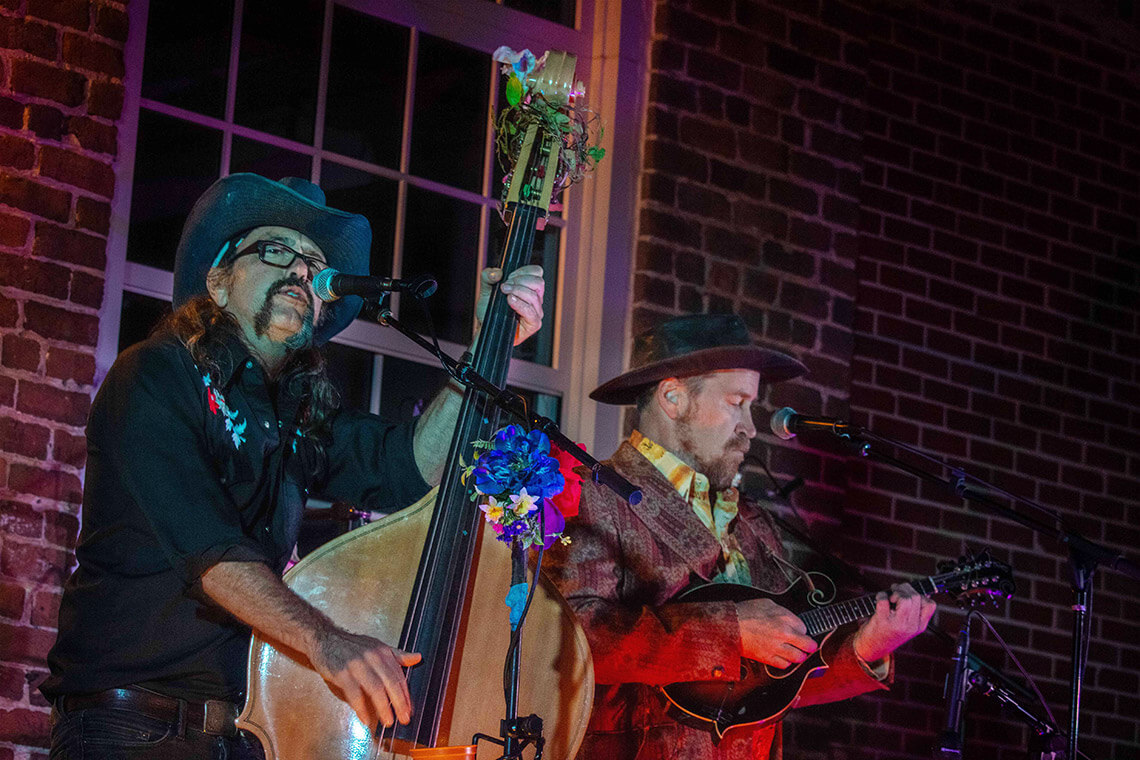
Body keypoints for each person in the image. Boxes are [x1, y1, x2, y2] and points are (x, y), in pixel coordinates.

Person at [42, 174, 546, 759]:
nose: (301, 273)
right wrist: (327, 641)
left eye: (313, 265)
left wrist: (489, 343)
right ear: (219, 283)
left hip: (247, 733)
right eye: (276, 251)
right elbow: (212, 552)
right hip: (130, 729)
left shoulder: (298, 417)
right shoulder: (156, 376)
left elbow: (410, 465)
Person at [544, 313, 937, 759]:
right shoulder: (590, 494)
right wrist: (730, 633)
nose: (750, 427)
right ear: (673, 397)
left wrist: (865, 648)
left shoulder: (753, 523)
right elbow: (572, 638)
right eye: (737, 402)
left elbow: (770, 688)